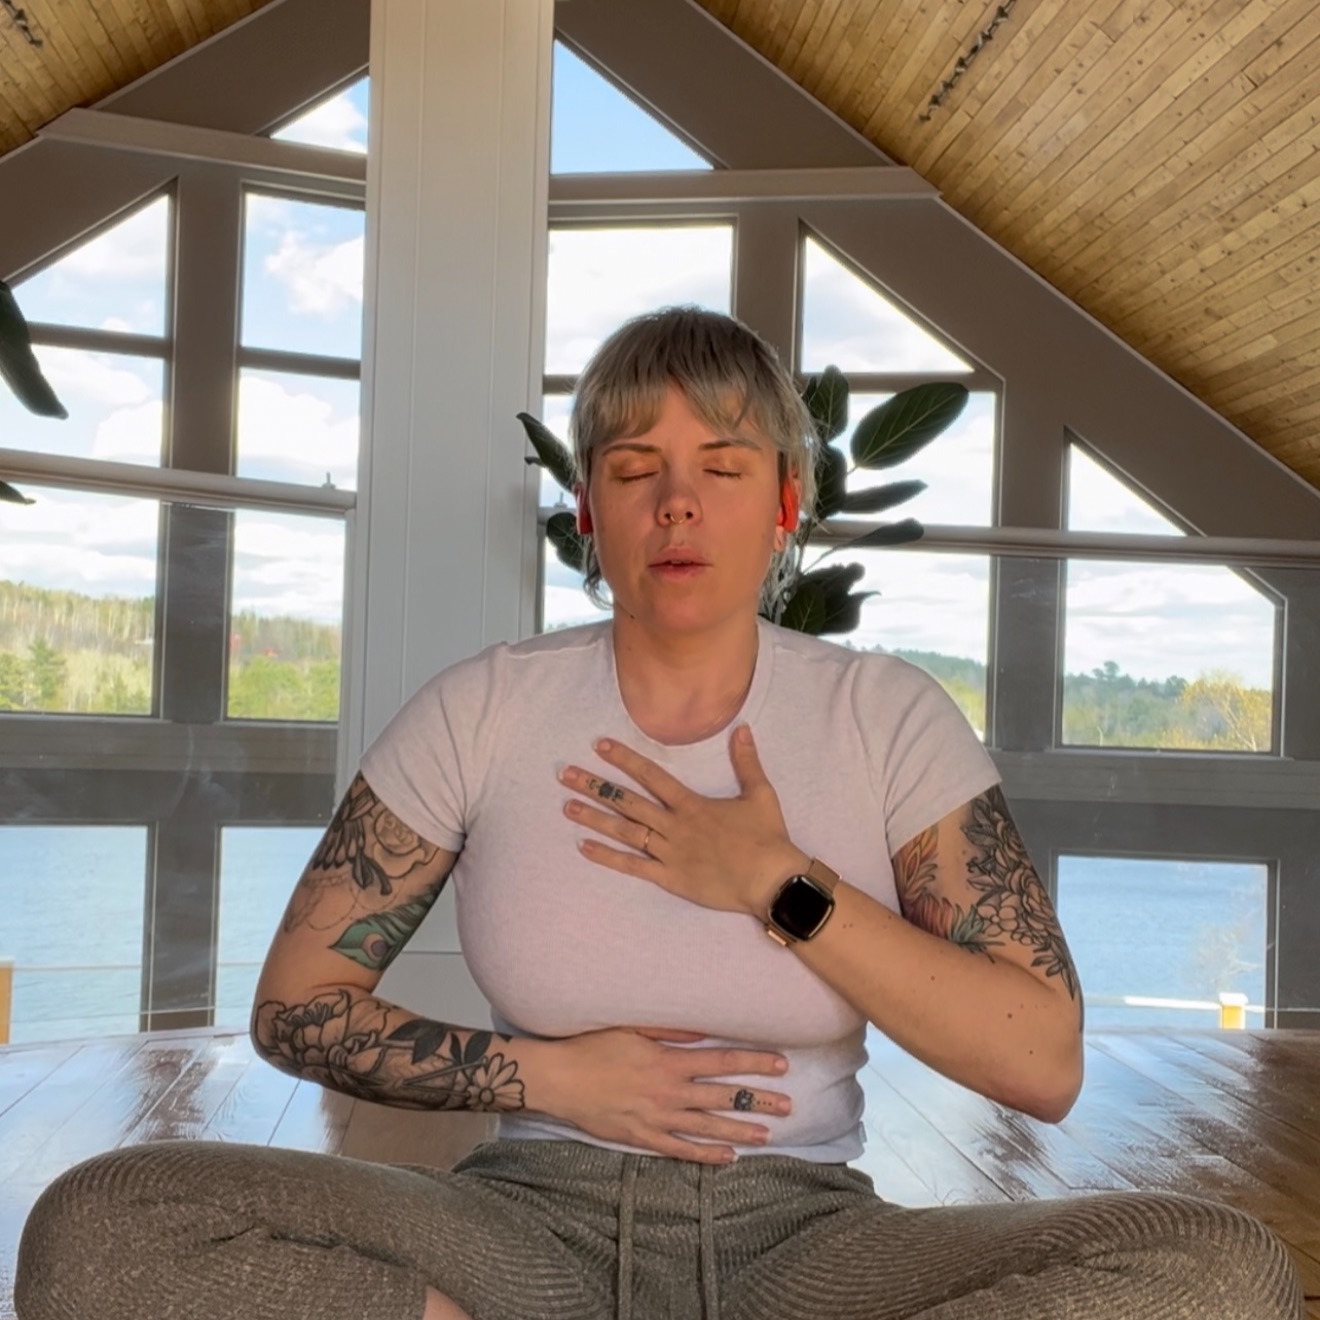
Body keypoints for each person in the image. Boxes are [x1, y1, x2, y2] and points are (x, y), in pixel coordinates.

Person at [15, 308, 1302, 1320]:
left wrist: (779, 886)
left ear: (784, 503)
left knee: (1216, 1268)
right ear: (590, 511)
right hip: (525, 1226)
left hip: (807, 1238)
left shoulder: (885, 717)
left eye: (721, 467)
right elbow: (297, 1008)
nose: (676, 503)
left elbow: (1042, 1061)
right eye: (634, 469)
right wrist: (556, 1076)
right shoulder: (485, 709)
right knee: (100, 1224)